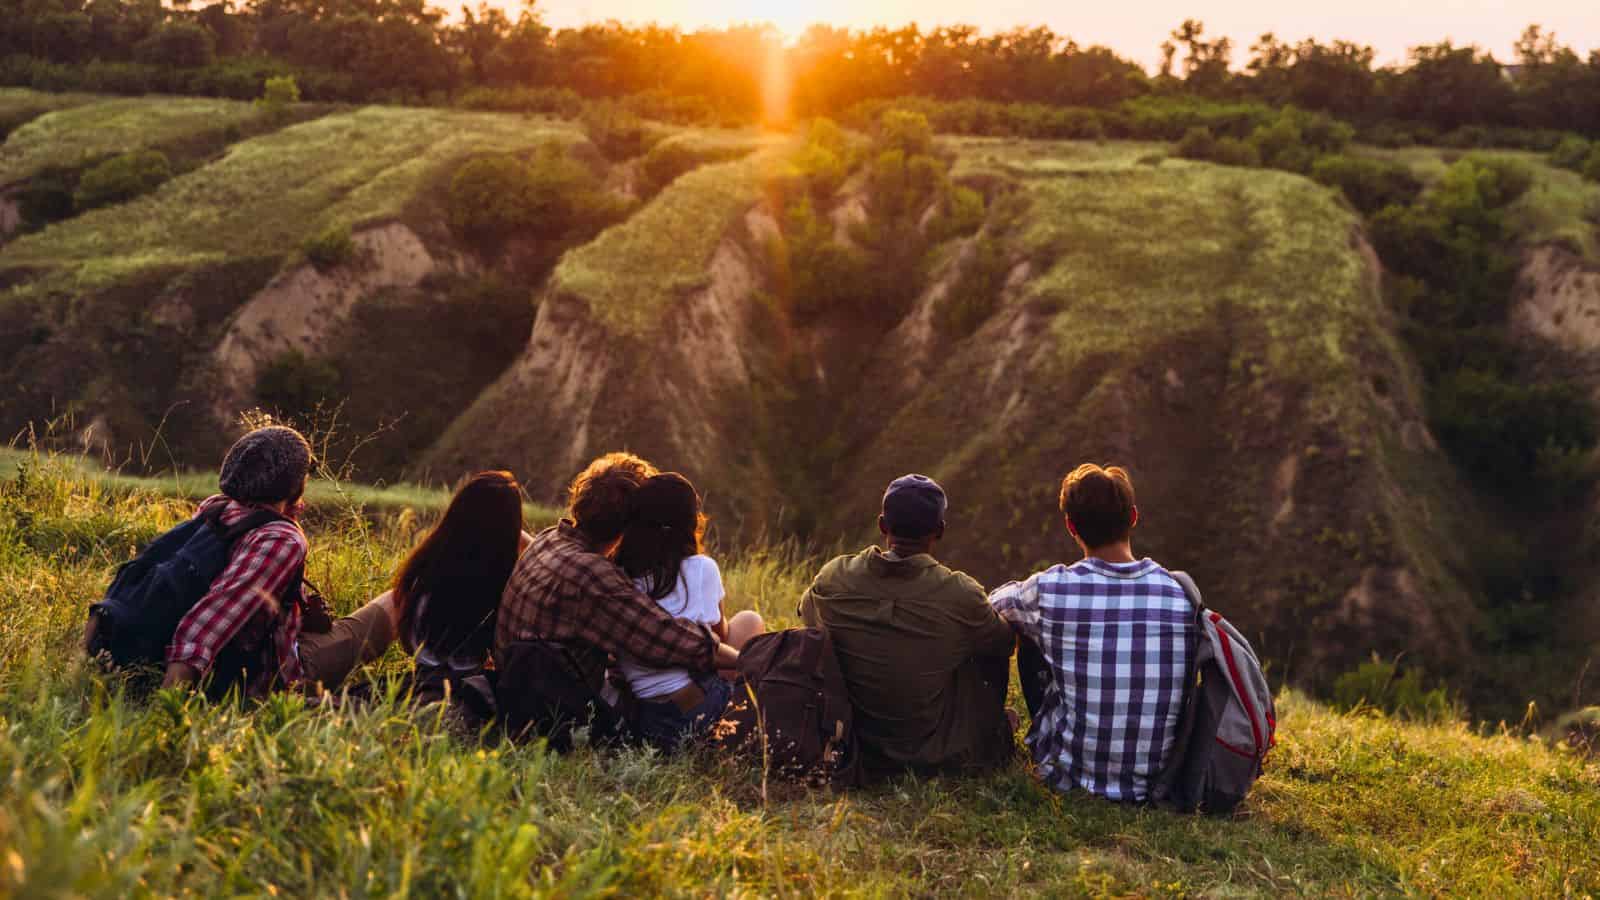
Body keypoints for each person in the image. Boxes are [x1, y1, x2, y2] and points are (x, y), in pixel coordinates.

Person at [494, 453, 741, 737]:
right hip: (554, 710)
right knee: (739, 643)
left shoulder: (551, 540)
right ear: (633, 519)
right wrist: (749, 659)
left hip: (516, 690)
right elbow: (673, 641)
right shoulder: (594, 576)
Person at [989, 463, 1194, 803]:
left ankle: (996, 731)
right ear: (1133, 517)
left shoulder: (1050, 591)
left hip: (1069, 778)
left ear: (1071, 526)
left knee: (1028, 630)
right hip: (1160, 782)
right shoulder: (1179, 593)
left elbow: (988, 606)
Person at [799, 474, 1015, 776]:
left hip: (852, 740)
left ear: (882, 526)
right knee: (983, 643)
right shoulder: (960, 594)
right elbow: (1004, 643)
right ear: (939, 531)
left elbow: (806, 616)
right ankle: (990, 731)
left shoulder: (834, 576)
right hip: (932, 754)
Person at [162, 425, 399, 697]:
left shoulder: (216, 508)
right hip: (268, 679)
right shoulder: (281, 540)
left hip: (243, 651)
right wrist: (168, 706)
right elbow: (208, 621)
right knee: (399, 599)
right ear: (294, 486)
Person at [613, 472, 765, 752]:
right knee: (749, 621)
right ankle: (729, 721)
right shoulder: (700, 568)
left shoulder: (618, 574)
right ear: (690, 522)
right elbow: (718, 636)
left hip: (645, 719)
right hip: (694, 710)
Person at [392, 471, 532, 702]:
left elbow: (409, 643)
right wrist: (514, 531)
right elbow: (541, 554)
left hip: (423, 674)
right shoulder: (496, 581)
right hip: (465, 688)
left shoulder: (428, 562)